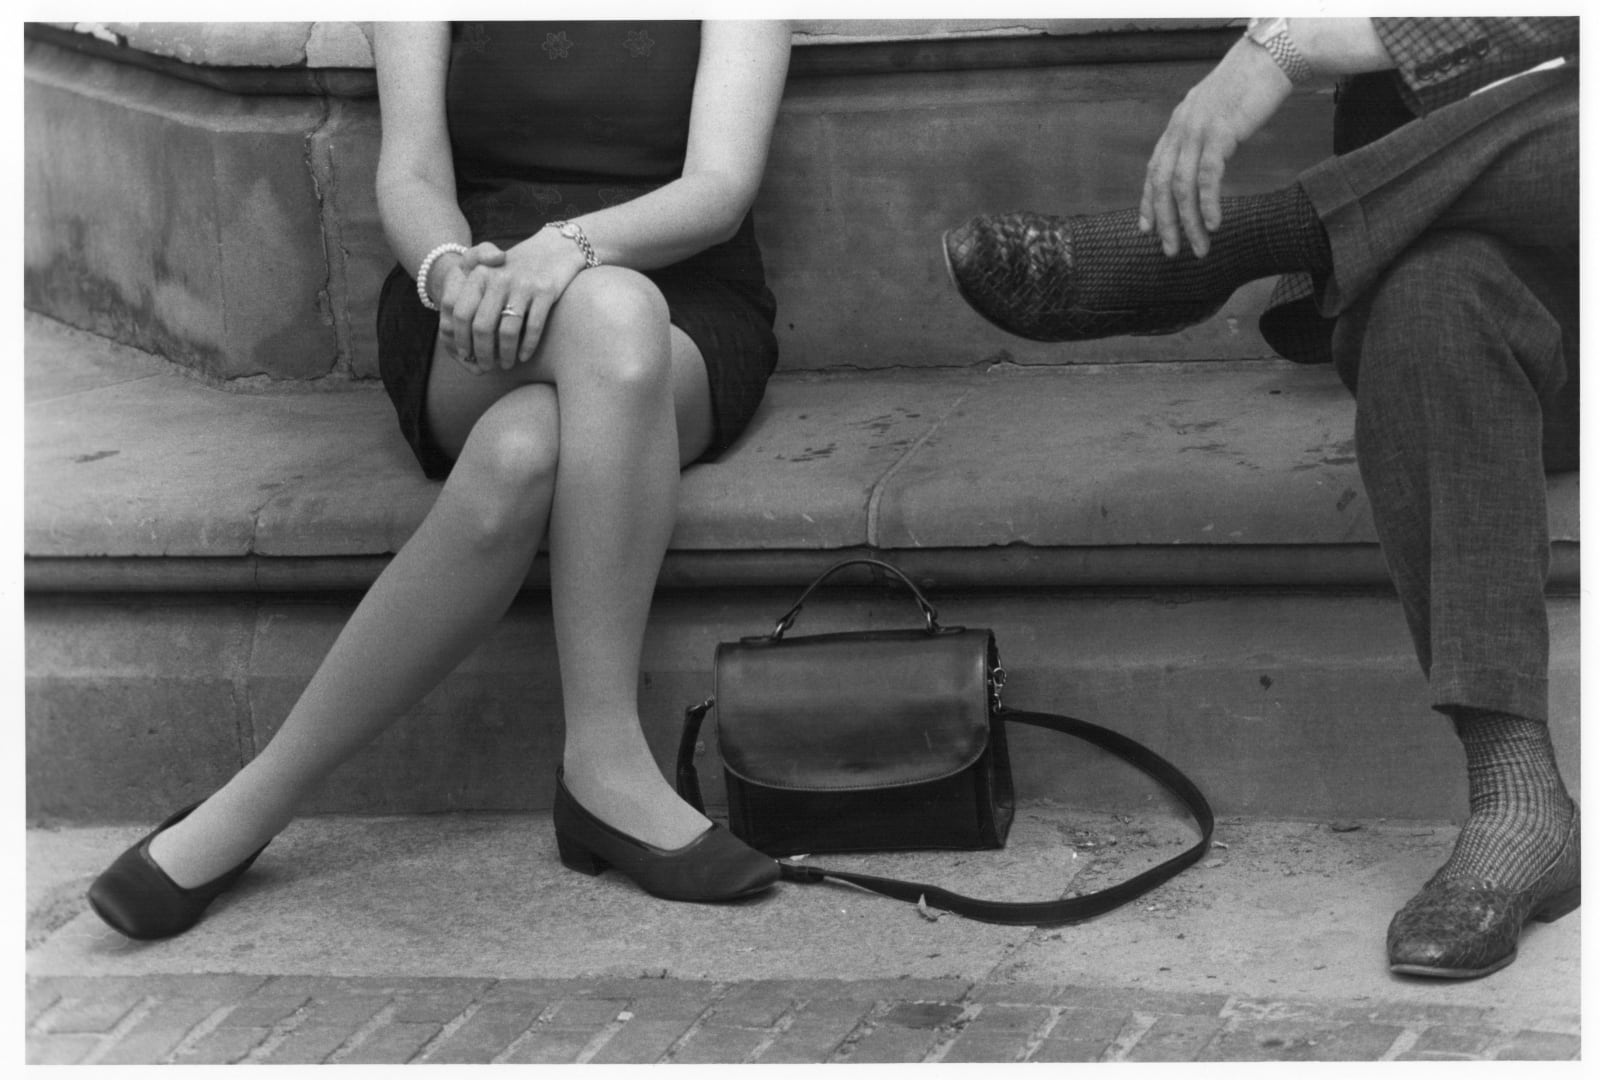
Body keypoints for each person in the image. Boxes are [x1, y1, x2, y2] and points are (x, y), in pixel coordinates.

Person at [88, 20, 793, 940]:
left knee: (533, 435)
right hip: (472, 306)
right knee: (594, 336)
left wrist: (568, 249)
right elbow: (412, 174)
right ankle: (603, 775)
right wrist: (451, 269)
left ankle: (254, 802)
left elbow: (718, 191)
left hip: (682, 305)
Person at [943, 17, 1578, 979]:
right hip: (1487, 283)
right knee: (1431, 304)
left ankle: (1246, 241)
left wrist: (1276, 51)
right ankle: (1517, 797)